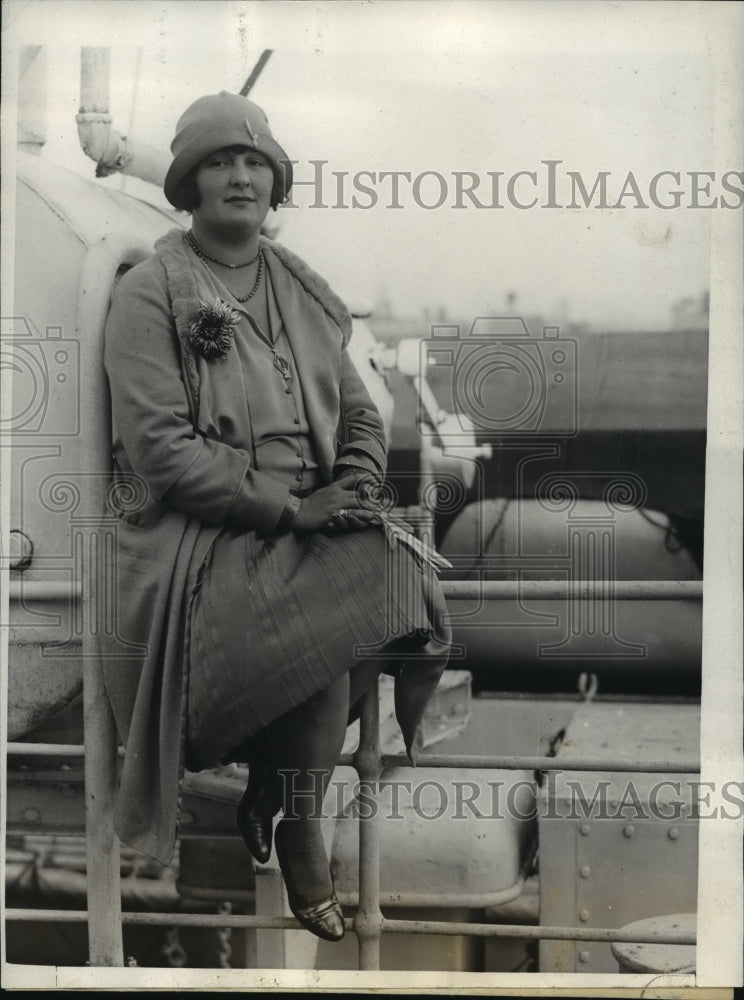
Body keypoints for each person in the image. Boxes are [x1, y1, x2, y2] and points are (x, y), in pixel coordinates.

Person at [102, 91, 451, 943]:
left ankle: (276, 783)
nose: (240, 176)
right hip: (202, 534)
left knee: (402, 579)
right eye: (220, 162)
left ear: (275, 182)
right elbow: (159, 449)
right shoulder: (152, 292)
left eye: (256, 162)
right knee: (336, 608)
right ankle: (301, 824)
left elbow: (365, 414)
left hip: (309, 515)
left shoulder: (297, 285)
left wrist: (358, 490)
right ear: (186, 184)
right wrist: (292, 509)